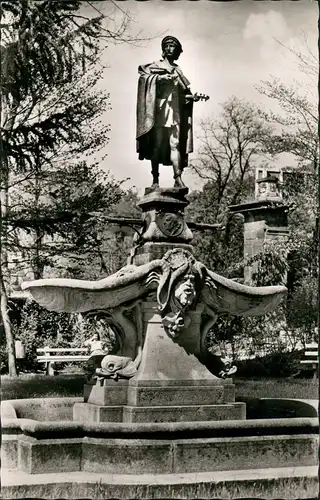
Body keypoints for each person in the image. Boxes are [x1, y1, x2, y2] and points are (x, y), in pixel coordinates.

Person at [136, 36, 205, 189]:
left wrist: (194, 97)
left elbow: (182, 94)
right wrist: (160, 79)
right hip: (159, 111)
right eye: (166, 45)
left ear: (178, 51)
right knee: (158, 143)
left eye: (172, 46)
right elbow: (144, 80)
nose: (169, 48)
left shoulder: (178, 71)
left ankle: (178, 178)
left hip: (174, 112)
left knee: (175, 144)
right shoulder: (154, 66)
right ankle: (155, 180)